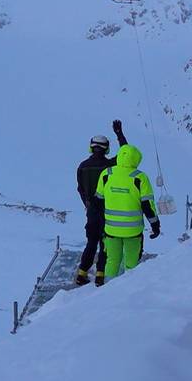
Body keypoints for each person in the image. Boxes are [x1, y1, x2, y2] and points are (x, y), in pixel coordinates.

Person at [94, 144, 160, 281]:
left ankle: (107, 292)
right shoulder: (139, 178)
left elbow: (98, 202)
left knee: (112, 261)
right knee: (131, 264)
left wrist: (100, 224)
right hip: (133, 231)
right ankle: (128, 291)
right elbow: (148, 205)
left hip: (111, 230)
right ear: (136, 159)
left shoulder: (106, 174)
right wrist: (155, 225)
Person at [75, 120, 128, 286]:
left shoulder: (82, 167)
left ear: (91, 147)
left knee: (91, 242)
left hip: (91, 210)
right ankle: (100, 275)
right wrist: (119, 134)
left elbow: (80, 189)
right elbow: (126, 153)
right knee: (105, 243)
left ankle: (81, 274)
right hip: (108, 210)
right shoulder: (110, 166)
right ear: (106, 148)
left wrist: (88, 204)